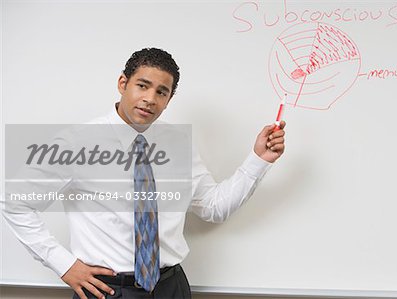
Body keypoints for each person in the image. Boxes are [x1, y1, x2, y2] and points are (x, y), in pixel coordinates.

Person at [2, 48, 286, 299]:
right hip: (107, 290)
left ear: (169, 99)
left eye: (161, 92)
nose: (150, 98)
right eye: (143, 85)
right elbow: (14, 201)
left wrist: (259, 159)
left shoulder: (178, 143)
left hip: (171, 287)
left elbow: (213, 207)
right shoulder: (78, 143)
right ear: (122, 84)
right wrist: (64, 265)